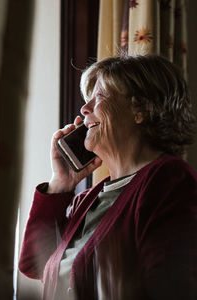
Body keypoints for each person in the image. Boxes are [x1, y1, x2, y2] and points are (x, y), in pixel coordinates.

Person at [19, 54, 197, 300]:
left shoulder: (169, 179)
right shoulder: (87, 200)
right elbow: (33, 265)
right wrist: (60, 183)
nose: (84, 108)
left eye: (99, 96)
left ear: (141, 109)